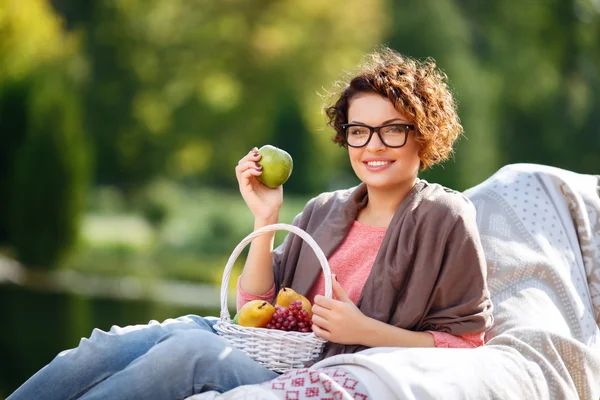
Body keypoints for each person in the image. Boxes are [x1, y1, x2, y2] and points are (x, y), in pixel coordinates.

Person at [7, 47, 493, 400]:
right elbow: (257, 307)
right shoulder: (325, 210)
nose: (373, 145)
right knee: (105, 345)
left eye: (393, 129)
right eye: (358, 131)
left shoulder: (442, 217)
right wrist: (266, 218)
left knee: (190, 353)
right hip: (259, 346)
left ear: (423, 134)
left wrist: (365, 329)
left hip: (310, 371)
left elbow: (467, 342)